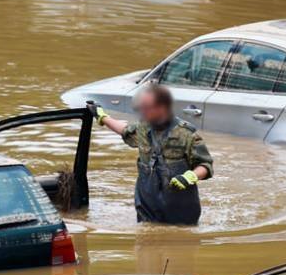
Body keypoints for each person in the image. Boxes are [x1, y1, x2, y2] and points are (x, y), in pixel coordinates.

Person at [90, 85, 213, 225]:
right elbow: (125, 131)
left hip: (180, 211)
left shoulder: (186, 134)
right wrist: (102, 117)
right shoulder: (143, 127)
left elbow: (205, 165)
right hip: (147, 207)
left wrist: (190, 177)